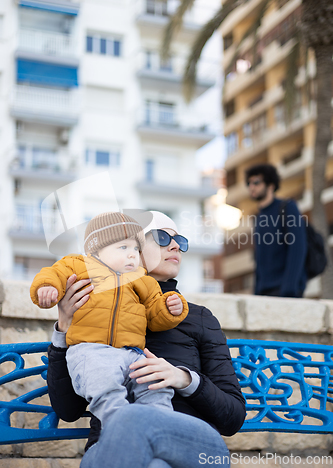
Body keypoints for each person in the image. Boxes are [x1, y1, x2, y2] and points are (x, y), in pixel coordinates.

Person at [47, 211, 246, 468]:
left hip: (190, 445)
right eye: (162, 237)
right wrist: (65, 327)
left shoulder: (198, 317)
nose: (176, 246)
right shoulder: (89, 309)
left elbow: (233, 417)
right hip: (112, 449)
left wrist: (183, 379)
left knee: (135, 421)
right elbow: (68, 410)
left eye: (180, 241)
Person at [31, 212, 188, 427]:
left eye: (135, 248)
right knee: (103, 383)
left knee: (154, 385)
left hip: (131, 353)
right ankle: (119, 422)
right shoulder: (79, 265)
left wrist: (170, 307)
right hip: (91, 350)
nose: (132, 254)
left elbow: (154, 312)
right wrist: (47, 288)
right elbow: (53, 274)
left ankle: (159, 422)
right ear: (97, 249)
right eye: (123, 248)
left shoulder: (141, 279)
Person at [245, 164, 307, 297]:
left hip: (286, 290)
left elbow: (298, 248)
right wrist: (257, 291)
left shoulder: (287, 208)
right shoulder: (258, 217)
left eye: (256, 182)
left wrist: (289, 287)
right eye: (249, 183)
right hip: (263, 292)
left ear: (271, 185)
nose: (251, 187)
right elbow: (260, 258)